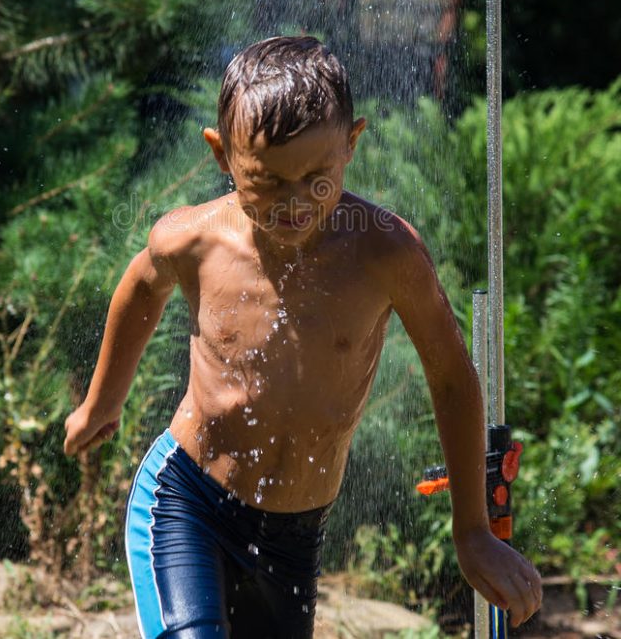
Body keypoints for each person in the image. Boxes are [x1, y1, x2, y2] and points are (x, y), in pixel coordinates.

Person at [64, 36, 542, 638]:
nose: (294, 203)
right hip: (188, 499)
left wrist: (471, 528)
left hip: (295, 535)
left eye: (317, 177)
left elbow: (449, 376)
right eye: (266, 182)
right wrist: (103, 401)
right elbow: (140, 283)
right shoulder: (196, 240)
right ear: (222, 156)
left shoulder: (385, 252)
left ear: (352, 144)